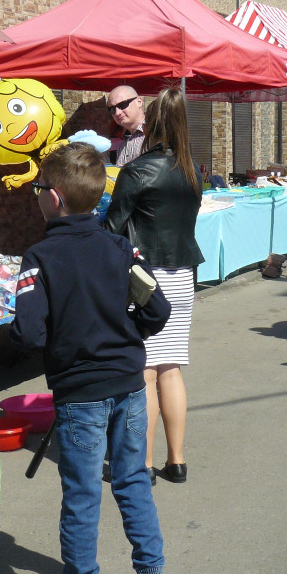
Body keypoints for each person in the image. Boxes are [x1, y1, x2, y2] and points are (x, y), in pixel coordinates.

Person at [10, 142, 173, 574]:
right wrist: (123, 329)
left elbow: (28, 333)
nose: (37, 194)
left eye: (38, 187)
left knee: (82, 496)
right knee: (133, 480)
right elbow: (157, 311)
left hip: (79, 394)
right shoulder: (122, 250)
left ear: (55, 197)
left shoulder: (39, 259)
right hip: (128, 384)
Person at [105, 87, 204, 484]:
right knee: (171, 369)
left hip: (147, 277)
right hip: (182, 276)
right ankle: (176, 461)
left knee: (144, 372)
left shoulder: (139, 170)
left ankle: (143, 464)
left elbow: (112, 227)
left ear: (153, 123)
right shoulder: (193, 169)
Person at [107, 85, 146, 166]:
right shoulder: (124, 140)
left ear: (139, 102)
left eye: (122, 105)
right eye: (112, 109)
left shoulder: (156, 134)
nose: (117, 113)